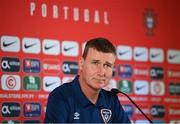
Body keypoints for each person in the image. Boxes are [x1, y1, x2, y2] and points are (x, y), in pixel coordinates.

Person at [44, 38, 131, 123]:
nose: (101, 72)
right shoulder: (60, 97)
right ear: (81, 64)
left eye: (107, 65)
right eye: (95, 63)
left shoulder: (112, 100)